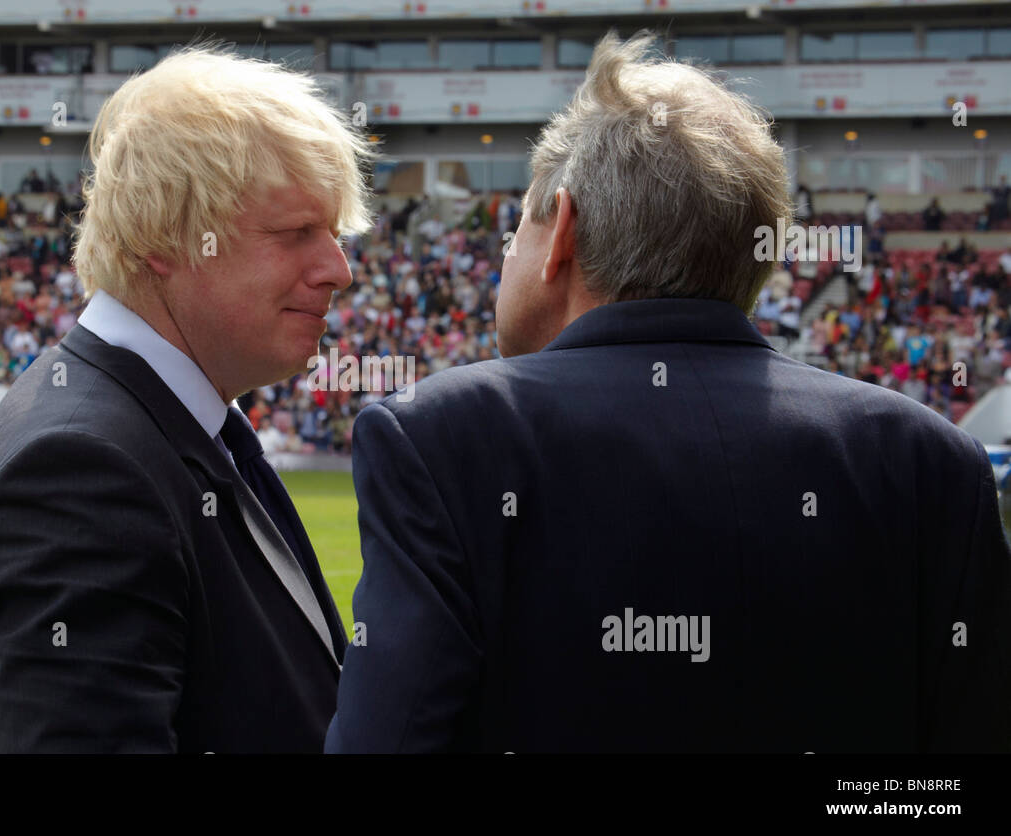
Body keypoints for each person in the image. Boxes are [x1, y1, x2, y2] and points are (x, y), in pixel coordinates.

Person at [326, 31, 1011, 752]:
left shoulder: (440, 436)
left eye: (517, 224)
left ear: (561, 228)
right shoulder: (932, 457)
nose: (506, 253)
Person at [0, 43, 373, 752]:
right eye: (297, 233)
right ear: (166, 239)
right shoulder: (80, 471)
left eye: (333, 234)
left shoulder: (170, 429)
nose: (339, 269)